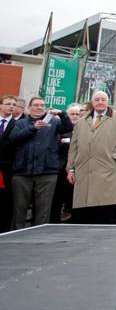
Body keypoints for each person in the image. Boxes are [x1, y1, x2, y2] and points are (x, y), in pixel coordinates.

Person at [8, 96, 72, 229]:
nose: (39, 107)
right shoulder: (21, 123)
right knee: (19, 208)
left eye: (42, 105)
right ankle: (16, 235)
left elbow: (68, 127)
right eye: (36, 105)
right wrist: (33, 128)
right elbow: (13, 139)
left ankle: (39, 237)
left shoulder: (54, 122)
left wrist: (62, 114)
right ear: (29, 108)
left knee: (43, 209)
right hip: (23, 172)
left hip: (47, 172)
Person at [67, 91, 116, 224]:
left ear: (108, 101)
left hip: (107, 169)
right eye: (97, 100)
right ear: (92, 102)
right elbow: (74, 146)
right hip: (83, 170)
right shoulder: (82, 121)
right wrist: (71, 168)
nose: (100, 102)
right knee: (83, 212)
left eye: (103, 100)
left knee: (104, 208)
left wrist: (115, 157)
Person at [50, 102, 81, 223]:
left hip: (78, 169)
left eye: (77, 114)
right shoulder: (59, 128)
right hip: (60, 169)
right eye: (71, 114)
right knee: (57, 198)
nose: (74, 116)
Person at [0, 94, 17, 232]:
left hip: (8, 169)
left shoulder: (18, 124)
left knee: (5, 202)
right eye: (8, 103)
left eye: (13, 104)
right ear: (1, 105)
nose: (11, 106)